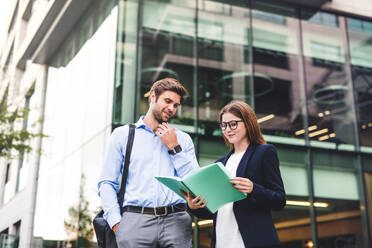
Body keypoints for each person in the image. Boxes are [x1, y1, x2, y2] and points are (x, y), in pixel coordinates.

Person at [98, 78, 199, 248]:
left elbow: (194, 181)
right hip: (135, 222)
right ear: (153, 96)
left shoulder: (183, 139)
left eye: (176, 105)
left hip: (176, 222)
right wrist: (116, 223)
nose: (171, 108)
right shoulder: (122, 135)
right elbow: (107, 182)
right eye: (167, 101)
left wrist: (174, 147)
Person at [182, 100, 286, 248]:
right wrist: (194, 207)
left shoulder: (264, 152)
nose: (228, 129)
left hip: (251, 241)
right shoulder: (220, 164)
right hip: (222, 240)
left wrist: (253, 189)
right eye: (224, 125)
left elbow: (279, 199)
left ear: (248, 123)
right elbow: (216, 211)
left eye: (233, 124)